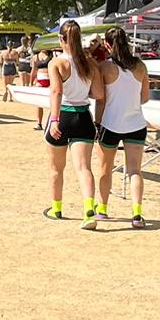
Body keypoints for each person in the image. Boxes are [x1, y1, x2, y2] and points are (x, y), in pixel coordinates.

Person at [44, 19, 106, 229]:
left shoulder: (57, 63)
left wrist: (54, 120)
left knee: (56, 168)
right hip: (83, 116)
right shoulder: (90, 63)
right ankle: (89, 210)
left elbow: (56, 91)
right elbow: (98, 94)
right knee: (83, 168)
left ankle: (56, 207)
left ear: (61, 39)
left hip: (63, 115)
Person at [95, 26, 151, 229]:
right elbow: (144, 98)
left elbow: (100, 100)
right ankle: (137, 214)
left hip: (110, 122)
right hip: (135, 122)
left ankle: (102, 208)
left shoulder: (105, 67)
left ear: (108, 45)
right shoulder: (141, 66)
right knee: (135, 170)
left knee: (105, 168)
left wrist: (97, 123)